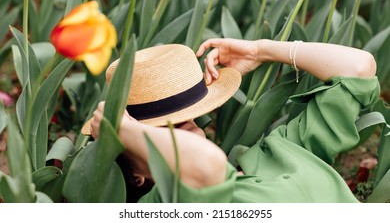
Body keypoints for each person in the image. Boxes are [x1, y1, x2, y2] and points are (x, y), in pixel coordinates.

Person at [88, 38, 379, 203]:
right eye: (164, 129)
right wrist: (124, 128)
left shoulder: (275, 153)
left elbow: (359, 67)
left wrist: (261, 50)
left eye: (187, 118)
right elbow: (207, 165)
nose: (187, 127)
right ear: (137, 175)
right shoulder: (175, 202)